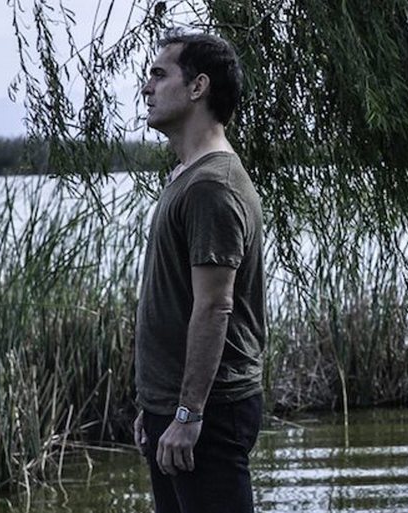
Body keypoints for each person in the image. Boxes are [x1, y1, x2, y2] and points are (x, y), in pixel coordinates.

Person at [132, 30, 267, 513]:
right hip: (176, 408)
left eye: (158, 74)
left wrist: (188, 414)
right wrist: (157, 406)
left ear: (198, 87)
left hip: (209, 411)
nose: (146, 88)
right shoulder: (188, 176)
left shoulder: (213, 185)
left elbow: (215, 305)